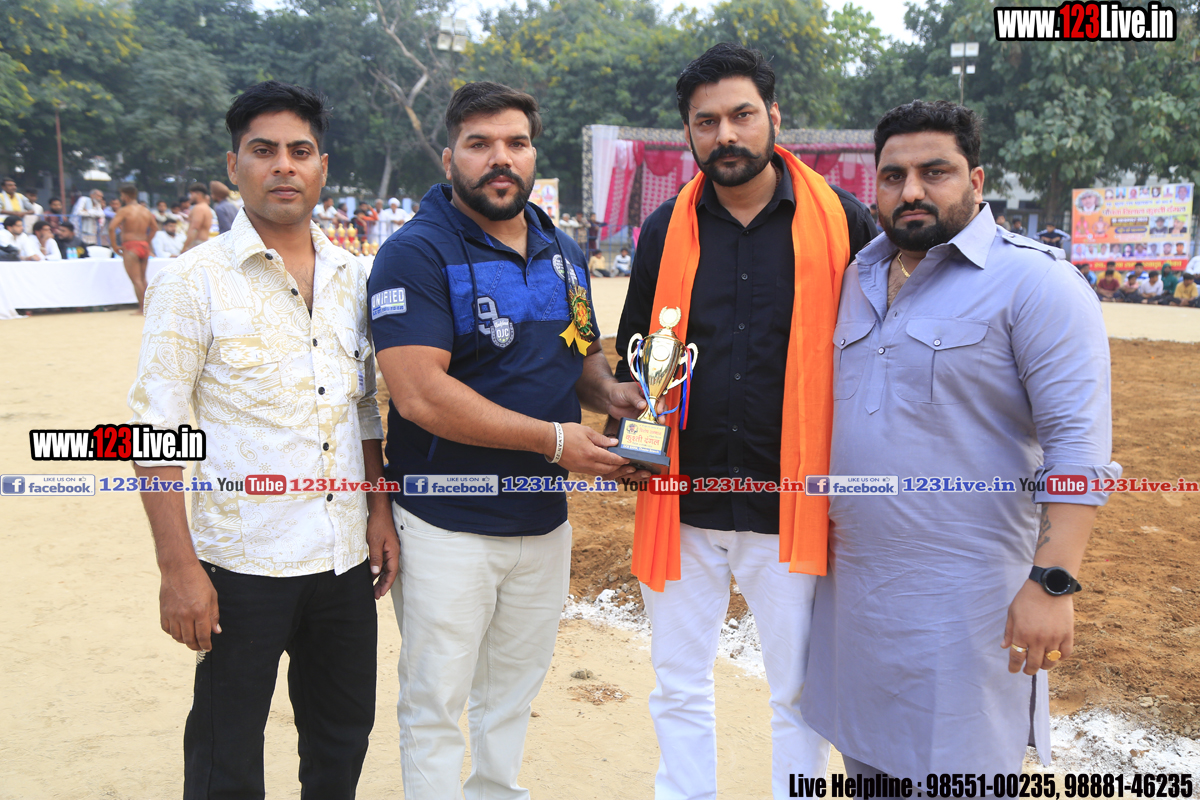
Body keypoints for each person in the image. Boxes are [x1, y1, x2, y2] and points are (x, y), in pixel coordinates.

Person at [802, 100, 1119, 778]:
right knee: (869, 773)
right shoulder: (856, 277)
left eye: (934, 172)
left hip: (970, 610)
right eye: (893, 176)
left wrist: (1053, 583)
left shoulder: (1038, 283)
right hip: (856, 605)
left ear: (976, 179)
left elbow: (1079, 449)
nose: (911, 191)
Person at [612, 44, 875, 799]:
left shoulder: (842, 220)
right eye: (707, 122)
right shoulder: (665, 229)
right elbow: (641, 351)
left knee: (797, 695)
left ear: (773, 116)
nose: (725, 134)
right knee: (677, 685)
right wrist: (633, 428)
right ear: (688, 133)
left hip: (792, 503)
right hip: (681, 501)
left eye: (741, 115)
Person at [368, 81, 641, 800]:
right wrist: (554, 443)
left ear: (533, 154)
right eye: (480, 143)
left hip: (543, 521)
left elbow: (578, 357)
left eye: (516, 143)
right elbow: (420, 393)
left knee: (511, 695)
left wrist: (611, 394)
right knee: (436, 702)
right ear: (449, 156)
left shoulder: (562, 249)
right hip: (444, 522)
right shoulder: (414, 253)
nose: (501, 158)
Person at [127, 80, 397, 799]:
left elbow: (363, 408)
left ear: (322, 167)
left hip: (343, 557)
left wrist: (378, 509)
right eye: (263, 150)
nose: (283, 165)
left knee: (342, 736)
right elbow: (153, 431)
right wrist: (178, 568)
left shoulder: (355, 279)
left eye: (299, 151)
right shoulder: (192, 282)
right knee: (227, 749)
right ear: (235, 164)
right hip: (241, 562)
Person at [109, 184, 158, 314]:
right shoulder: (146, 211)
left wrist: (114, 245)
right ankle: (149, 307)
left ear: (126, 196)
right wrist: (147, 241)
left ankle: (142, 308)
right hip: (143, 245)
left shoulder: (124, 210)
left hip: (130, 245)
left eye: (122, 195)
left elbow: (111, 227)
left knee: (136, 280)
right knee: (143, 278)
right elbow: (155, 228)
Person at [182, 183, 213, 252]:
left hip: (197, 244)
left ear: (198, 195)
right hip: (202, 243)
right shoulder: (206, 208)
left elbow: (194, 229)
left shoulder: (199, 208)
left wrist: (185, 247)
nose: (190, 197)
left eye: (191, 194)